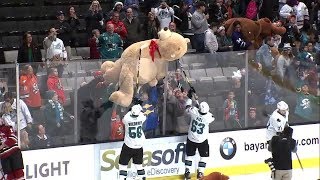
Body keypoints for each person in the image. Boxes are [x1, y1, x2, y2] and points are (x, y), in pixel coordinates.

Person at [184, 88, 215, 180]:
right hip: (202, 140)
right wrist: (198, 105)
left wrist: (190, 97)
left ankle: (187, 171)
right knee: (204, 156)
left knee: (189, 155)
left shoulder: (194, 111)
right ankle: (200, 172)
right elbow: (208, 115)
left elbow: (187, 108)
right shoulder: (209, 117)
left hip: (191, 138)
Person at [118, 104, 146, 180]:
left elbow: (125, 116)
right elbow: (142, 112)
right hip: (139, 146)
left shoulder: (127, 119)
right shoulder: (142, 118)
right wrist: (139, 107)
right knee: (139, 166)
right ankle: (142, 178)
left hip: (128, 145)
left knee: (122, 166)